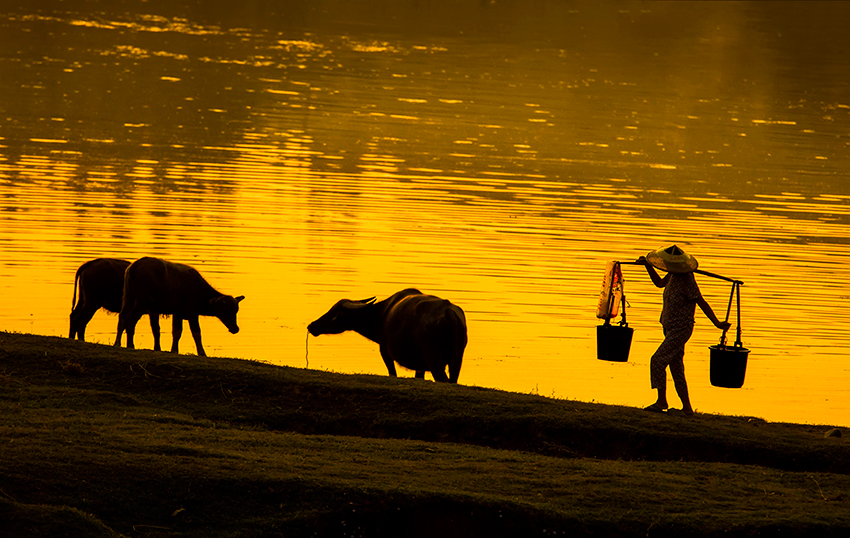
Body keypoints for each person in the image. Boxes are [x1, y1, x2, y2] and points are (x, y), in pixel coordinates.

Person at [637, 245, 731, 416]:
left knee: (657, 360)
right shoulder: (673, 274)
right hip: (669, 327)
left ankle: (661, 401)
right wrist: (647, 266)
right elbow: (659, 283)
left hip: (681, 328)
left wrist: (716, 323)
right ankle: (687, 408)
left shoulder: (687, 278)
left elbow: (700, 301)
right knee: (676, 367)